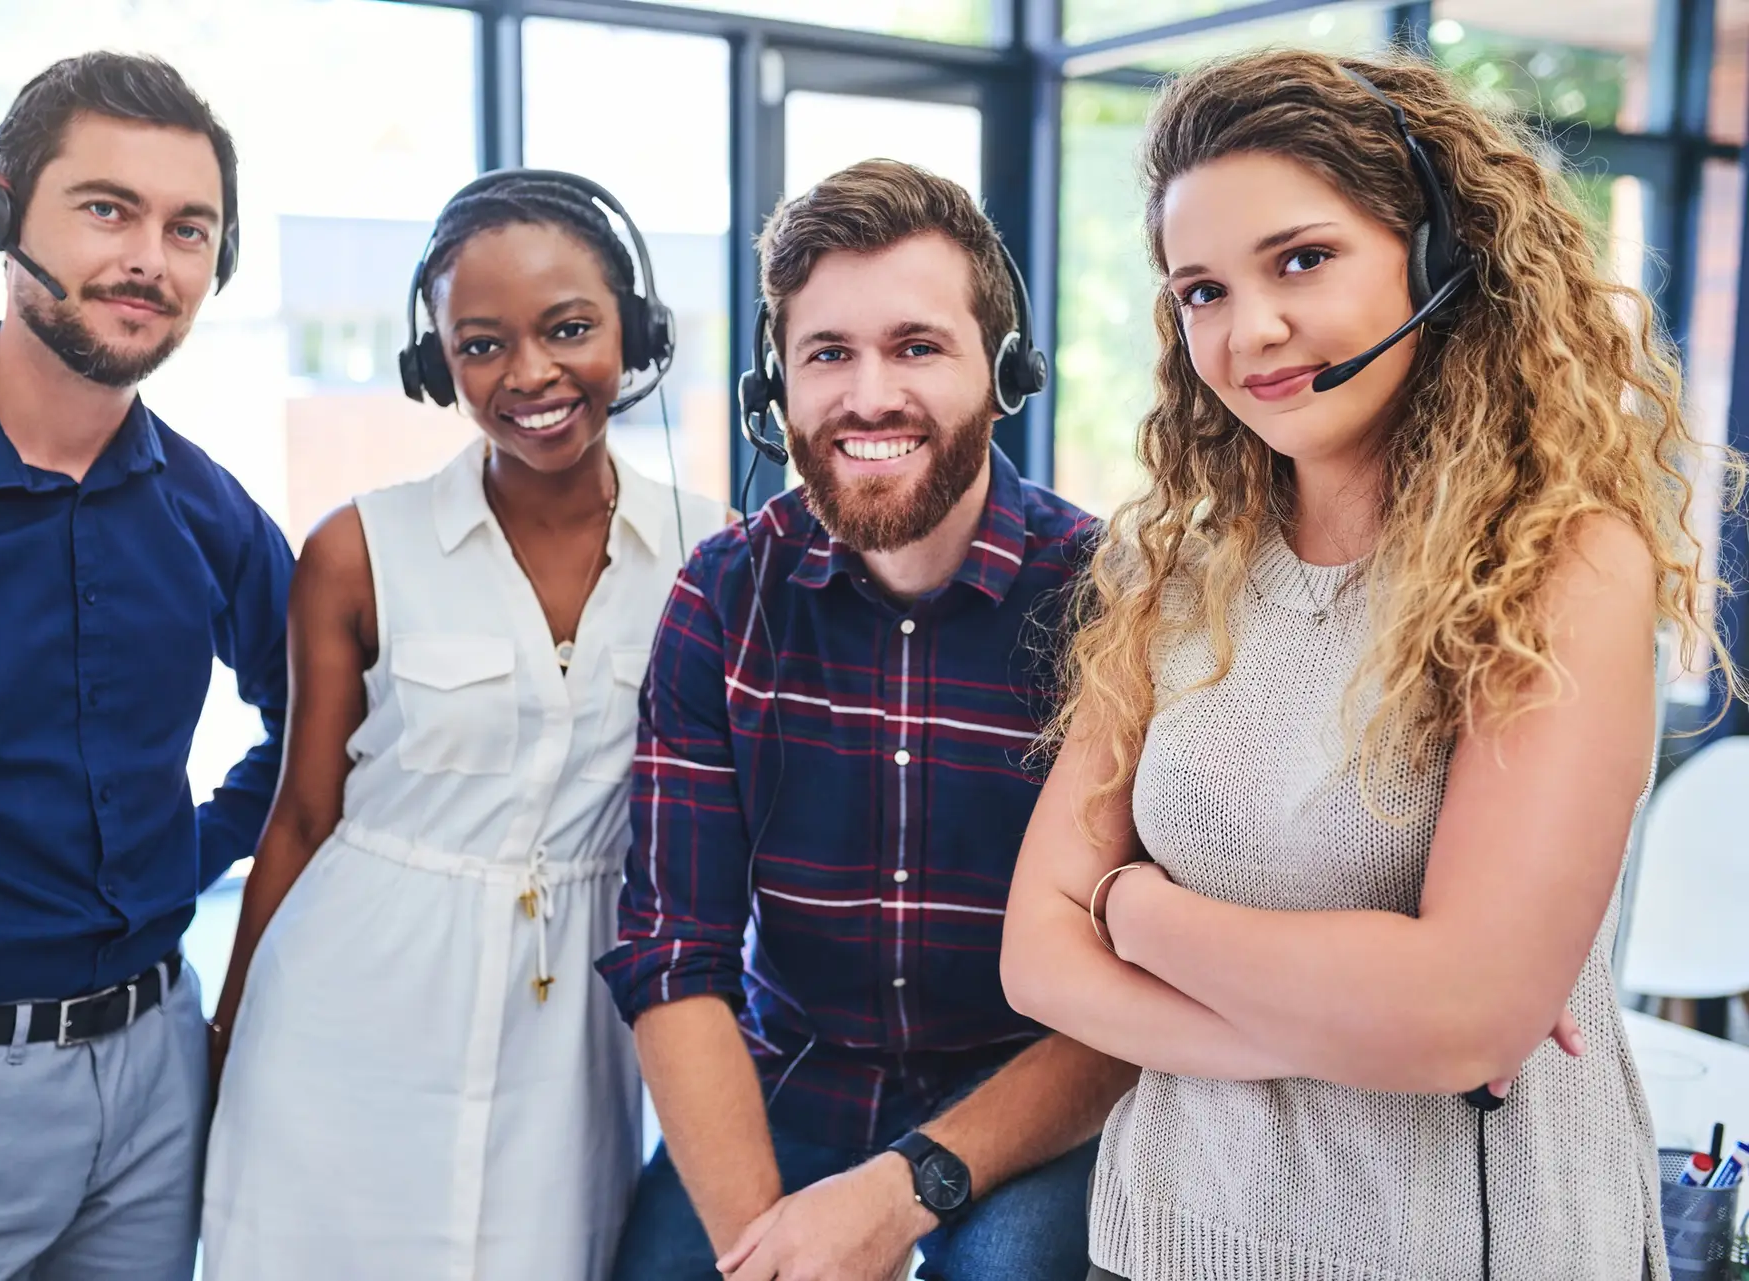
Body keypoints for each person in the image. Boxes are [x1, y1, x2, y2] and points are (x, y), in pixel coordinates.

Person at [1000, 50, 1743, 1281]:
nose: (1252, 332)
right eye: (1202, 292)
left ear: (1438, 252)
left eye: (1302, 259)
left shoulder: (1561, 566)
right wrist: (1322, 1028)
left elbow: (1457, 1017)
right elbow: (1036, 954)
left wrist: (1130, 910)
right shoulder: (1173, 574)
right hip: (1171, 1237)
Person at [601, 158, 1130, 1281]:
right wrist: (775, 1253)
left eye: (917, 346)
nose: (869, 396)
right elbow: (674, 956)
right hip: (795, 1079)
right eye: (828, 354)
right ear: (773, 391)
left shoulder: (1109, 601)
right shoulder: (723, 595)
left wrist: (903, 1196)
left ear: (1005, 372)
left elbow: (1136, 996)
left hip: (1026, 1099)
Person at [200, 170, 728, 1281]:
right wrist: (227, 1038)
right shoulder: (357, 549)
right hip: (348, 1016)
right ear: (435, 361)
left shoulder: (711, 552)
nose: (529, 375)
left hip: (574, 1028)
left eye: (569, 328)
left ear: (634, 330)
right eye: (481, 344)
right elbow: (300, 819)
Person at [0, 53, 287, 1281]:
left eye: (189, 228)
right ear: (4, 211)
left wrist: (188, 850)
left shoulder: (205, 506)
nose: (149, 257)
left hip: (153, 1075)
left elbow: (321, 714)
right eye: (107, 209)